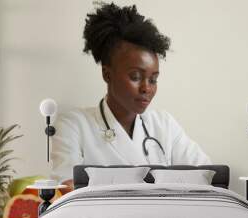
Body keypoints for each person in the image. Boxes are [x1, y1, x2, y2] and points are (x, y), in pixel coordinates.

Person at [51, 2, 211, 185]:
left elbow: (206, 176)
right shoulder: (74, 125)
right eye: (135, 76)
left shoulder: (164, 125)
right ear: (107, 74)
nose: (147, 88)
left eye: (153, 79)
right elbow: (66, 189)